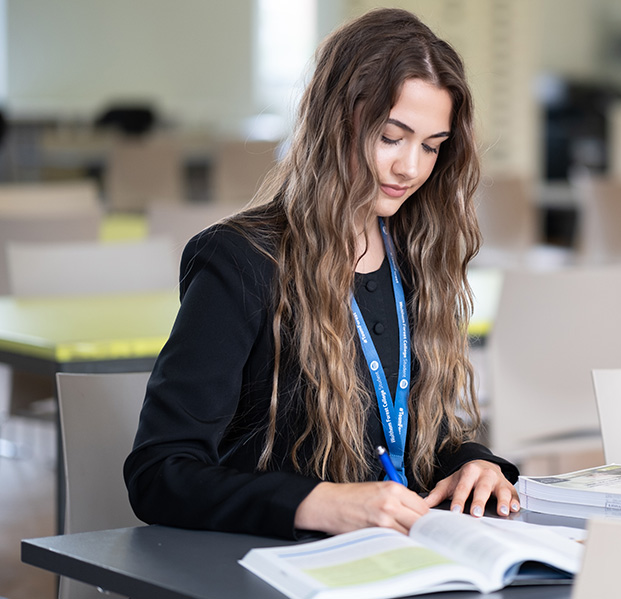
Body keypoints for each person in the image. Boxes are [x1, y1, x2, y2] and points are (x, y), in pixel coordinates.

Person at [124, 7, 519, 541]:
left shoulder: (414, 255)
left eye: (431, 146)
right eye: (390, 137)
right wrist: (320, 503)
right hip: (272, 564)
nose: (411, 168)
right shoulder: (241, 260)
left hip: (394, 557)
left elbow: (407, 432)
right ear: (336, 122)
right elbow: (159, 475)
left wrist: (474, 463)